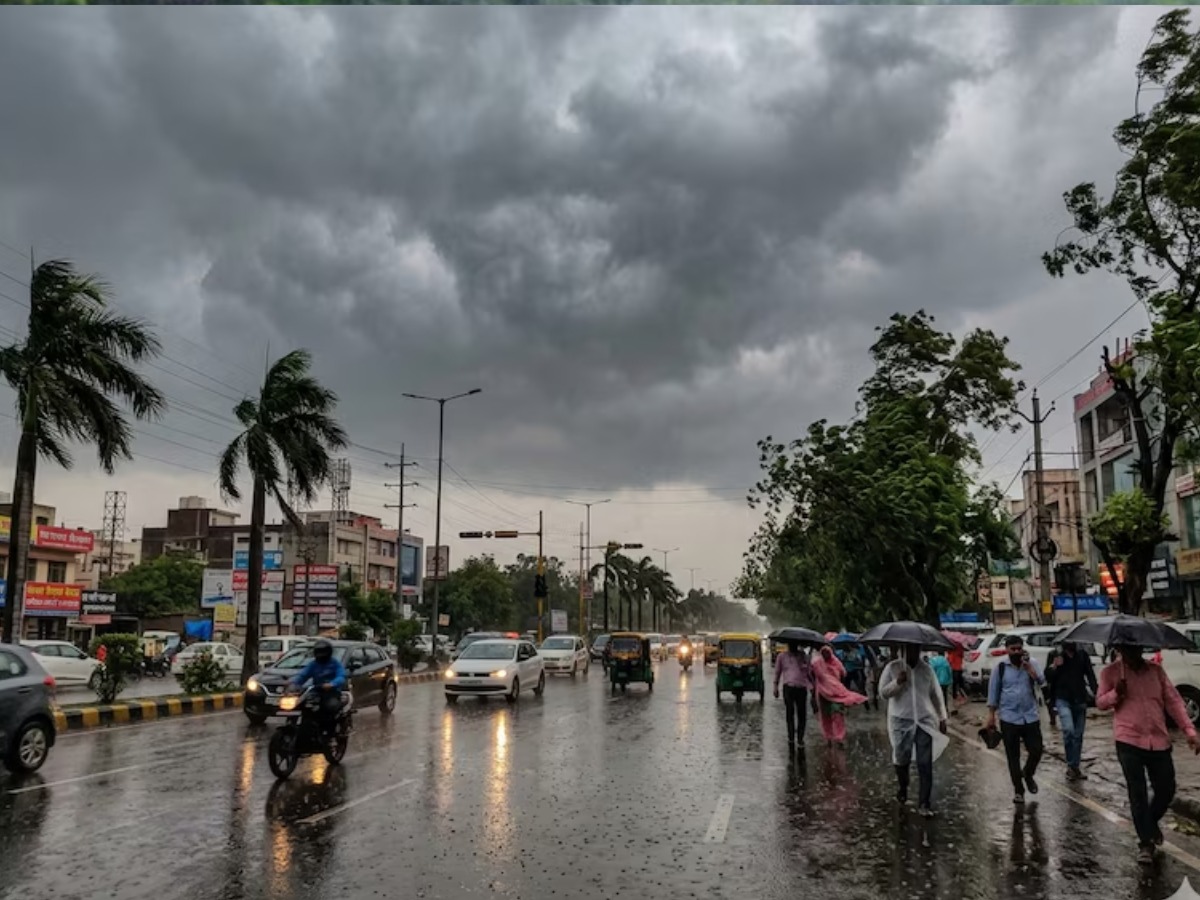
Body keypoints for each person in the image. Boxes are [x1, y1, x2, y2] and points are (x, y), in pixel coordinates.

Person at [1097, 642, 1200, 865]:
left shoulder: (1156, 671)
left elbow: (1173, 701)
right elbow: (1100, 703)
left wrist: (1189, 731)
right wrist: (1117, 693)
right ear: (1120, 650)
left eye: (1137, 649)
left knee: (1166, 788)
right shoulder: (1111, 673)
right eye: (1129, 649)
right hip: (1128, 739)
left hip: (1159, 739)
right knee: (1138, 792)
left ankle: (1149, 824)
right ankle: (1145, 843)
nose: (1134, 654)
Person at [879, 644, 948, 817]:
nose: (913, 652)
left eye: (916, 649)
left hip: (925, 720)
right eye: (909, 649)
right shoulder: (892, 667)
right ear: (903, 650)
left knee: (925, 763)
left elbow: (936, 694)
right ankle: (903, 785)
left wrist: (942, 717)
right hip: (900, 720)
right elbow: (883, 693)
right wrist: (898, 682)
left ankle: (924, 803)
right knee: (902, 758)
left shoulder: (927, 670)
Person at [986, 634, 1046, 804]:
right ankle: (1018, 790)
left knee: (1037, 749)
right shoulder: (1001, 668)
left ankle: (1028, 774)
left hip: (1030, 716)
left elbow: (1042, 682)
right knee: (1013, 756)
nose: (1017, 652)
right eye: (1013, 649)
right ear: (1007, 650)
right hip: (1009, 717)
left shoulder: (1031, 663)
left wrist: (1030, 670)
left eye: (1019, 649)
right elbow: (993, 692)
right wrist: (991, 716)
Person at [1046, 641, 1098, 781]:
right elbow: (1048, 677)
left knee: (1078, 735)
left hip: (1080, 699)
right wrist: (1054, 666)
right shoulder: (1055, 654)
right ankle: (1070, 764)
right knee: (1068, 730)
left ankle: (1075, 766)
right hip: (1062, 698)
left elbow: (1090, 674)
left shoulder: (1082, 655)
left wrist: (1097, 693)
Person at [810, 643, 868, 747]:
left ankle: (839, 737)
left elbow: (843, 673)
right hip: (823, 693)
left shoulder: (835, 662)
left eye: (827, 652)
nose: (826, 655)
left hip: (836, 693)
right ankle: (828, 737)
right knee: (825, 716)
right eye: (824, 653)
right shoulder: (818, 663)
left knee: (838, 715)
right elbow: (815, 674)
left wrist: (834, 682)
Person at [290, 639, 348, 737]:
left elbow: (341, 676)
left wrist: (332, 684)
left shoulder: (335, 664)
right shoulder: (313, 664)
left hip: (332, 692)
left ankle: (330, 734)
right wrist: (293, 684)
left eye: (322, 652)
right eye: (318, 652)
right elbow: (303, 675)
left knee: (330, 708)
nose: (320, 655)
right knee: (303, 705)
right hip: (316, 691)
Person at [773, 640, 814, 749]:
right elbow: (777, 672)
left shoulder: (803, 656)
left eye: (795, 644)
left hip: (801, 687)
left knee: (802, 715)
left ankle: (800, 738)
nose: (793, 646)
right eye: (791, 644)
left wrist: (812, 688)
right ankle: (791, 737)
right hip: (788, 688)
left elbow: (808, 673)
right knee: (789, 713)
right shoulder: (782, 656)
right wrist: (775, 687)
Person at [947, 641, 966, 708]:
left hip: (954, 667)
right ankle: (963, 696)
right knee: (960, 683)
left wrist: (949, 661)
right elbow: (962, 655)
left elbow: (950, 659)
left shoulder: (951, 647)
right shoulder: (960, 646)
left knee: (954, 684)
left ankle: (955, 697)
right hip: (959, 667)